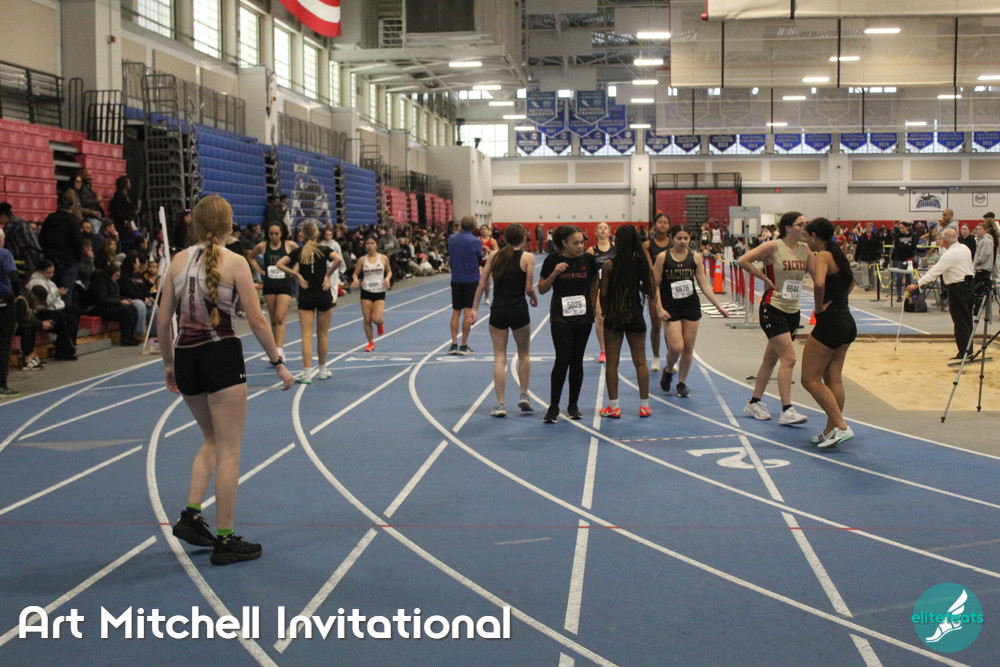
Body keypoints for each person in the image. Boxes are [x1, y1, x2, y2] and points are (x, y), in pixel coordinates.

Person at [158, 194, 293, 566]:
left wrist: (169, 366)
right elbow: (258, 320)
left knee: (212, 440)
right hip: (220, 356)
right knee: (230, 450)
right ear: (228, 224)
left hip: (186, 357)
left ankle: (191, 514)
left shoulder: (178, 260)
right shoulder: (235, 262)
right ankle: (225, 538)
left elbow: (163, 320)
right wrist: (278, 361)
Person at [737, 211, 814, 425]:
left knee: (770, 359)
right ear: (788, 227)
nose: (804, 228)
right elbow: (742, 260)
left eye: (805, 224)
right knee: (789, 359)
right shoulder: (773, 246)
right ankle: (787, 409)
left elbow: (817, 276)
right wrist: (764, 278)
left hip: (793, 309)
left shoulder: (806, 250)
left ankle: (754, 402)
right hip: (773, 307)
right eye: (800, 224)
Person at [467, 224, 538, 417]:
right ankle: (524, 395)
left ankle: (500, 404)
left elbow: (482, 283)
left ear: (504, 238)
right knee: (524, 354)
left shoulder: (494, 256)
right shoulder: (528, 257)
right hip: (519, 311)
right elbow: (529, 288)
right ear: (522, 239)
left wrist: (474, 309)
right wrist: (534, 298)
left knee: (499, 357)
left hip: (498, 310)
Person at [652, 225, 730, 398]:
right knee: (676, 347)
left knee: (688, 347)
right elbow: (654, 284)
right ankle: (668, 370)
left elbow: (704, 284)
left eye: (686, 238)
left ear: (690, 239)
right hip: (670, 307)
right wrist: (659, 308)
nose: (682, 241)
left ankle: (681, 383)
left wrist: (718, 305)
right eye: (679, 238)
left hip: (690, 306)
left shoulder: (695, 257)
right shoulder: (663, 257)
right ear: (672, 238)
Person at [800, 218, 857, 449]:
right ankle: (830, 431)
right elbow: (851, 281)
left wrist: (819, 307)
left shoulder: (823, 255)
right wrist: (840, 299)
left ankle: (841, 426)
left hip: (830, 323)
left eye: (806, 236)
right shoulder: (838, 253)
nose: (806, 240)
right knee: (833, 378)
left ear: (814, 236)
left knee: (809, 379)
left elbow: (819, 283)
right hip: (846, 321)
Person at [538, 225, 599, 424]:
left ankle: (573, 406)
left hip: (583, 317)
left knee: (577, 360)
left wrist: (592, 304)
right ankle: (554, 406)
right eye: (576, 243)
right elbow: (542, 289)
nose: (580, 246)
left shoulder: (588, 259)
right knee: (562, 358)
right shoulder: (552, 260)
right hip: (560, 317)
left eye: (582, 242)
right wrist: (554, 273)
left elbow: (595, 282)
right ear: (564, 243)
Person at [597, 225, 657, 418]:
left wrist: (605, 311)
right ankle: (645, 406)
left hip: (615, 316)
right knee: (641, 362)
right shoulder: (641, 264)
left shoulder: (609, 265)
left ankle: (614, 407)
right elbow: (649, 289)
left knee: (612, 363)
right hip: (635, 314)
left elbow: (603, 293)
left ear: (617, 241)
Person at [277, 221, 343, 383]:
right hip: (323, 293)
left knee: (306, 336)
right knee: (323, 334)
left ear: (303, 235)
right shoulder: (323, 249)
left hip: (306, 295)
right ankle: (323, 370)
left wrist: (297, 275)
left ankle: (307, 373)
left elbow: (279, 264)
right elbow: (339, 259)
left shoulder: (299, 251)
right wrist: (328, 275)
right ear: (316, 234)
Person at [906, 228, 975, 359]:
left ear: (944, 241)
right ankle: (968, 350)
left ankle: (964, 352)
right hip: (968, 285)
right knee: (967, 319)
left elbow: (934, 272)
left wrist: (917, 284)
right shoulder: (965, 248)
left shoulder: (950, 254)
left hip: (958, 287)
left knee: (960, 320)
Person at [250, 222, 296, 363]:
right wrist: (260, 270)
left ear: (281, 233)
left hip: (284, 285)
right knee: (273, 320)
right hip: (269, 285)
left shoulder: (289, 245)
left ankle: (280, 351)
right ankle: (275, 350)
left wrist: (294, 271)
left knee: (280, 318)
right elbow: (250, 256)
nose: (274, 236)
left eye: (276, 234)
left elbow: (302, 255)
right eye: (271, 234)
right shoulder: (263, 246)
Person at [27, 259, 81, 360]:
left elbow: (55, 300)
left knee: (75, 311)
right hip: (42, 312)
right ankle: (63, 351)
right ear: (40, 271)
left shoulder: (49, 282)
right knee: (68, 320)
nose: (51, 275)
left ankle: (70, 345)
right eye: (48, 273)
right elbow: (46, 302)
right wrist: (57, 293)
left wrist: (58, 295)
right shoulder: (36, 284)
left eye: (52, 272)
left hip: (54, 308)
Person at [39, 191, 84, 307]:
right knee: (65, 293)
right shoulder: (73, 222)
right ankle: (65, 314)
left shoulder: (50, 219)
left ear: (58, 205)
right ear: (71, 207)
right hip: (68, 262)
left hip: (50, 260)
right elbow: (78, 243)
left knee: (51, 291)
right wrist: (77, 259)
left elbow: (41, 239)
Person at [447, 215, 483, 354]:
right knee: (468, 312)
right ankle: (463, 345)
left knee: (456, 311)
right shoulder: (476, 241)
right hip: (471, 279)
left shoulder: (452, 239)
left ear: (461, 225)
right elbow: (479, 260)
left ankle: (453, 344)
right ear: (474, 227)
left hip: (456, 279)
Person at [350, 235, 391, 352]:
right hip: (366, 291)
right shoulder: (362, 260)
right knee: (367, 319)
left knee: (376, 318)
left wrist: (387, 278)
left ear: (376, 245)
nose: (370, 246)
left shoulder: (383, 258)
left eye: (372, 243)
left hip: (379, 291)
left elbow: (389, 271)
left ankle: (380, 324)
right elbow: (355, 273)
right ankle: (370, 343)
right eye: (367, 243)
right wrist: (355, 279)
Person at [642, 213, 671, 372]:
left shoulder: (673, 244)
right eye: (660, 222)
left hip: (670, 287)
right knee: (656, 324)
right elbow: (650, 268)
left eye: (665, 222)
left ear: (669, 226)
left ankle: (670, 356)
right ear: (655, 225)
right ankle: (656, 357)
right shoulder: (647, 245)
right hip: (654, 286)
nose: (663, 224)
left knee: (670, 324)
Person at [88, 263, 140, 347]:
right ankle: (126, 338)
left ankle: (131, 336)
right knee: (125, 311)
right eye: (116, 276)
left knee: (133, 308)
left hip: (109, 305)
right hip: (97, 307)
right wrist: (120, 302)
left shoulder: (112, 282)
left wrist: (124, 299)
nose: (118, 278)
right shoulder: (100, 281)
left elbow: (115, 296)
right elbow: (102, 299)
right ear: (111, 274)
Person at [587, 222, 615, 364]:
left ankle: (613, 347)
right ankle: (603, 350)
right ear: (596, 232)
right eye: (600, 228)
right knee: (600, 318)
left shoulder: (616, 249)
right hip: (599, 288)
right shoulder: (591, 251)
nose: (603, 229)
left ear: (610, 232)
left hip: (614, 288)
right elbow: (587, 272)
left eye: (605, 228)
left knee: (614, 318)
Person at [0, 226, 20, 397]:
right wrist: (17, 293)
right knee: (4, 342)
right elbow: (14, 277)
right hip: (3, 301)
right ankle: (1, 385)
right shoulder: (4, 254)